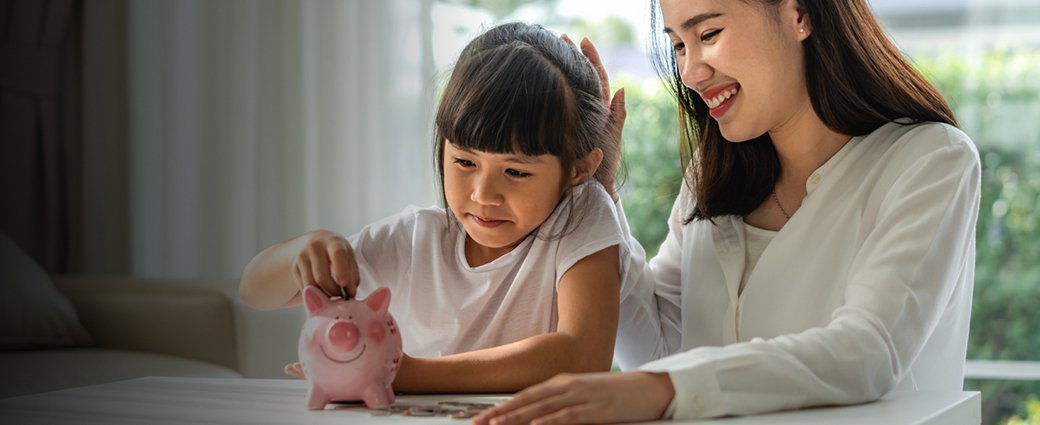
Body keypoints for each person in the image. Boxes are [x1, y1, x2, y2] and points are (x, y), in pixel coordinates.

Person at [473, 0, 981, 423]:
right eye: (678, 44)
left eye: (709, 33)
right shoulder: (710, 177)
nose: (690, 71)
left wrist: (662, 389)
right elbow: (656, 351)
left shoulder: (930, 161)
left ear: (799, 13)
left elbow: (868, 352)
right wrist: (596, 193)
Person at [238, 22, 632, 394]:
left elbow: (583, 355)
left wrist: (402, 372)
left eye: (515, 171)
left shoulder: (580, 215)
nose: (484, 194)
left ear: (579, 169)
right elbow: (253, 291)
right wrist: (308, 248)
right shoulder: (415, 239)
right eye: (465, 162)